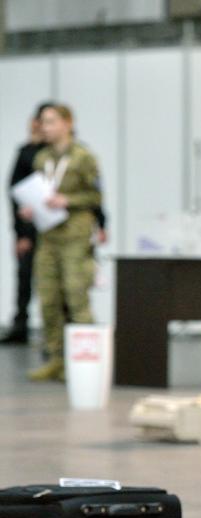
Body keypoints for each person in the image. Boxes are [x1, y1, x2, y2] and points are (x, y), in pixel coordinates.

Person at [20, 104, 104, 381]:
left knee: (76, 296)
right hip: (48, 236)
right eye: (43, 122)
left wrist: (68, 200)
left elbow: (96, 197)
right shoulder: (41, 158)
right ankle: (57, 359)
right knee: (49, 299)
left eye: (52, 121)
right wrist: (31, 208)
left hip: (75, 236)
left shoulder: (83, 157)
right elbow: (40, 192)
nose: (46, 127)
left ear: (68, 123)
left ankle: (88, 362)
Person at [2, 102, 55, 345]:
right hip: (31, 227)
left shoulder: (64, 153)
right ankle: (20, 325)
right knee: (25, 277)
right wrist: (20, 233)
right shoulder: (27, 152)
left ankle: (55, 335)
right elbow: (15, 193)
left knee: (55, 281)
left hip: (57, 227)